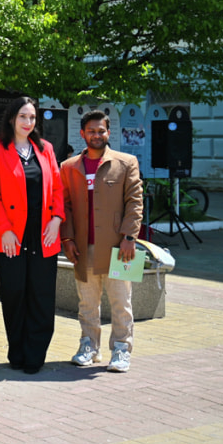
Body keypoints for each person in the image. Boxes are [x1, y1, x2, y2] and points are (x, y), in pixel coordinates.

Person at [0, 97, 66, 374]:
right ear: (11, 119)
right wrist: (5, 229)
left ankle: (35, 355)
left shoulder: (46, 149)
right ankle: (16, 351)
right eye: (22, 117)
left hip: (43, 234)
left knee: (41, 295)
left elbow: (57, 188)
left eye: (32, 118)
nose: (28, 123)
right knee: (15, 294)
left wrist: (56, 219)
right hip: (10, 237)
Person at [60, 111, 144, 374]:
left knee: (121, 302)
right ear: (82, 134)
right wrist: (67, 238)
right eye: (91, 131)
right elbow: (66, 207)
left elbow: (135, 201)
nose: (97, 135)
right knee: (87, 302)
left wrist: (130, 237)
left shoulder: (126, 162)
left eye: (101, 131)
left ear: (109, 133)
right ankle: (88, 347)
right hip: (83, 248)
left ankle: (121, 349)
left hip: (119, 248)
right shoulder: (69, 166)